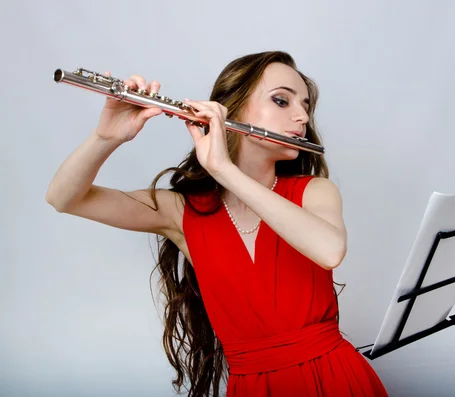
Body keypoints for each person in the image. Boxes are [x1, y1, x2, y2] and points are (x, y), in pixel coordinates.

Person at [46, 51, 389, 397]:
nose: (301, 116)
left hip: (335, 379)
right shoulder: (180, 212)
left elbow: (330, 250)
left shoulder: (316, 191)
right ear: (232, 109)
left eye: (305, 106)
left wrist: (224, 169)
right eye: (282, 101)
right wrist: (106, 138)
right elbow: (64, 198)